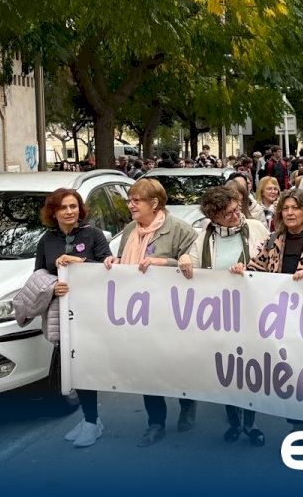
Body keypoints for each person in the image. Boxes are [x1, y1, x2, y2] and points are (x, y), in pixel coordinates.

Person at [230, 188, 303, 435]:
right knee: (290, 374)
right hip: (280, 321)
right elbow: (256, 269)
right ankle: (297, 425)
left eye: (295, 208)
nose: (290, 213)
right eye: (285, 208)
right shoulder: (273, 240)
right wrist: (242, 270)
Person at [103, 178, 199, 447]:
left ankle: (188, 402)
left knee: (177, 365)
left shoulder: (181, 230)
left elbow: (198, 271)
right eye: (130, 200)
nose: (130, 205)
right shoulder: (130, 230)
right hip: (140, 315)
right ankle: (155, 422)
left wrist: (166, 262)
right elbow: (126, 265)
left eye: (136, 201)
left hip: (173, 315)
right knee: (147, 369)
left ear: (154, 203)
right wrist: (114, 262)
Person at [189, 186, 270, 446]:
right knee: (228, 372)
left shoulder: (256, 228)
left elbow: (271, 262)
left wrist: (251, 269)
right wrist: (183, 261)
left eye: (236, 209)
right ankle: (234, 421)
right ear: (214, 218)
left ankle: (251, 423)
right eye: (227, 214)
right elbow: (192, 266)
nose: (235, 216)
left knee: (250, 371)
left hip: (253, 313)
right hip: (221, 316)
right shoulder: (204, 239)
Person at [35, 188, 112, 448]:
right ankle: (91, 419)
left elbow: (108, 269)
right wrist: (53, 287)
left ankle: (91, 421)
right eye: (63, 207)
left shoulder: (93, 234)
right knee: (71, 368)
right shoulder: (47, 240)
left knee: (85, 366)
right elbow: (39, 275)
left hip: (90, 312)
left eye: (73, 206)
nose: (69, 212)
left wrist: (78, 262)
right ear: (53, 212)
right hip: (62, 314)